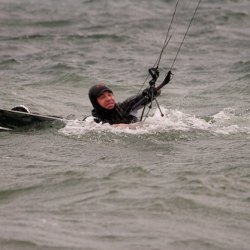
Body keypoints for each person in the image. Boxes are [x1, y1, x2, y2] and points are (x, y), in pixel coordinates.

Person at [87, 83, 161, 125]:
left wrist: (150, 92)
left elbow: (156, 92)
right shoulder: (92, 121)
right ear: (95, 102)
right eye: (102, 97)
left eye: (110, 95)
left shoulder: (124, 107)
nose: (109, 99)